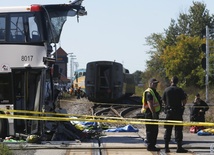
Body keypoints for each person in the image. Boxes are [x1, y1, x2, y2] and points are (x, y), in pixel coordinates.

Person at [162, 76, 188, 153]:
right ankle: (179, 147)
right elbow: (184, 101)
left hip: (169, 112)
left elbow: (163, 100)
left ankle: (166, 147)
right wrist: (183, 105)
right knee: (178, 130)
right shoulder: (180, 90)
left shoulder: (166, 90)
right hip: (178, 112)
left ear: (171, 81)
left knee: (168, 129)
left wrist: (167, 106)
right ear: (177, 82)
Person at [141, 78, 162, 151]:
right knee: (151, 130)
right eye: (154, 83)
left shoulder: (154, 91)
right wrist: (153, 113)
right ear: (150, 83)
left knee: (155, 130)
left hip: (153, 113)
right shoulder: (149, 92)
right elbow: (150, 103)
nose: (156, 85)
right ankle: (150, 146)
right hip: (150, 114)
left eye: (156, 83)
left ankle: (152, 145)